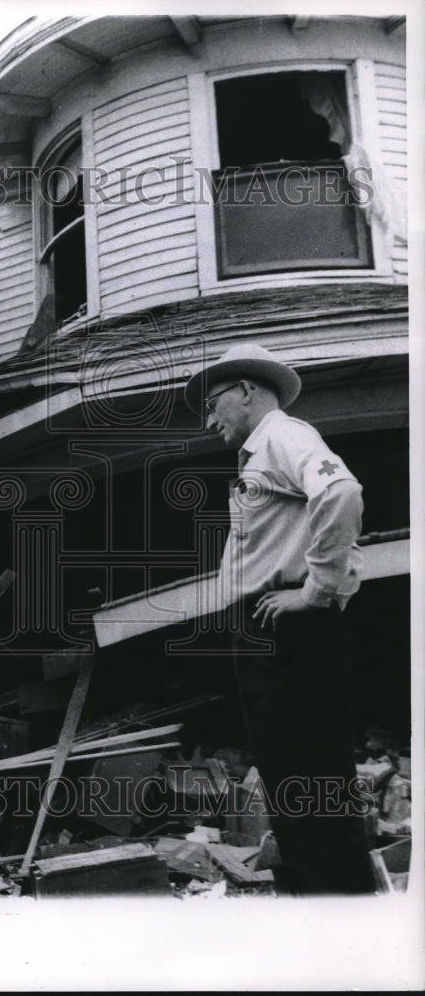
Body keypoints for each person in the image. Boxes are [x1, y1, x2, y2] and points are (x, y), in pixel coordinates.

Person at [185, 343, 375, 896]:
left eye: (214, 401)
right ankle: (328, 905)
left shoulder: (284, 435)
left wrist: (317, 590)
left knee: (309, 776)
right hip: (268, 629)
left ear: (246, 391)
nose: (209, 417)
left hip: (291, 630)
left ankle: (337, 913)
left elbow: (340, 493)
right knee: (293, 777)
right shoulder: (260, 452)